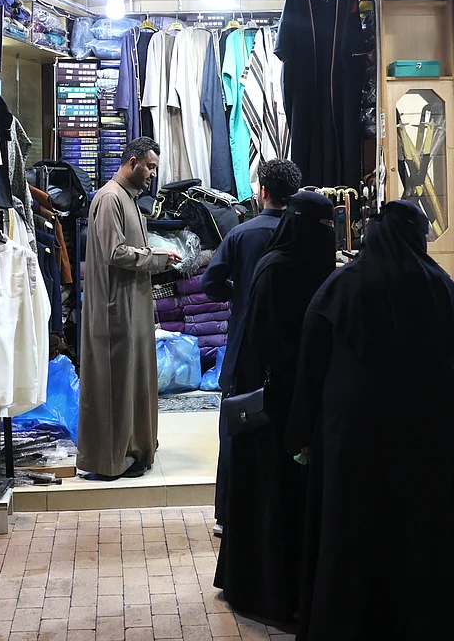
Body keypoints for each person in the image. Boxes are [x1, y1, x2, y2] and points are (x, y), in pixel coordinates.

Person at [286, 200, 454, 641]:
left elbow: (311, 363)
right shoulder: (437, 284)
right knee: (421, 532)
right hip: (424, 434)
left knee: (352, 531)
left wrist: (301, 431)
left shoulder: (341, 285)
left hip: (354, 434)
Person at [214, 190, 335, 628]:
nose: (327, 235)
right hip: (276, 404)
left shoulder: (307, 266)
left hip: (298, 401)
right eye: (321, 227)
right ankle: (268, 593)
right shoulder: (277, 268)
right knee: (272, 496)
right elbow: (268, 340)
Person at [200, 158, 302, 537]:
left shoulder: (243, 235)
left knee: (237, 424)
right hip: (293, 346)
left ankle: (228, 515)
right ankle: (284, 512)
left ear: (262, 191)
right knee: (289, 423)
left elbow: (211, 283)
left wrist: (240, 292)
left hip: (247, 344)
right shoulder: (306, 234)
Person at [78, 137, 181, 480]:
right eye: (150, 167)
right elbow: (115, 252)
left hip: (130, 304)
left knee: (133, 378)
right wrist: (158, 258)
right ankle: (111, 459)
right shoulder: (110, 198)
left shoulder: (129, 198)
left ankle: (134, 448)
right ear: (132, 162)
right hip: (115, 308)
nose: (153, 174)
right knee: (115, 383)